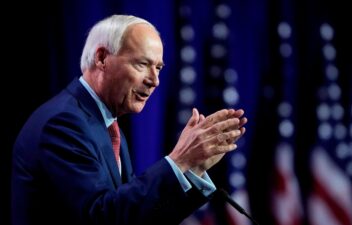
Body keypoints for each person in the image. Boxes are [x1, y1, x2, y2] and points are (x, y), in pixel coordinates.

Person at [11, 14, 247, 225]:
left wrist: (192, 168)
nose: (154, 80)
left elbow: (135, 214)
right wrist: (179, 160)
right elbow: (102, 216)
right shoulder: (63, 124)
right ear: (102, 58)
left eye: (159, 68)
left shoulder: (106, 124)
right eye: (142, 64)